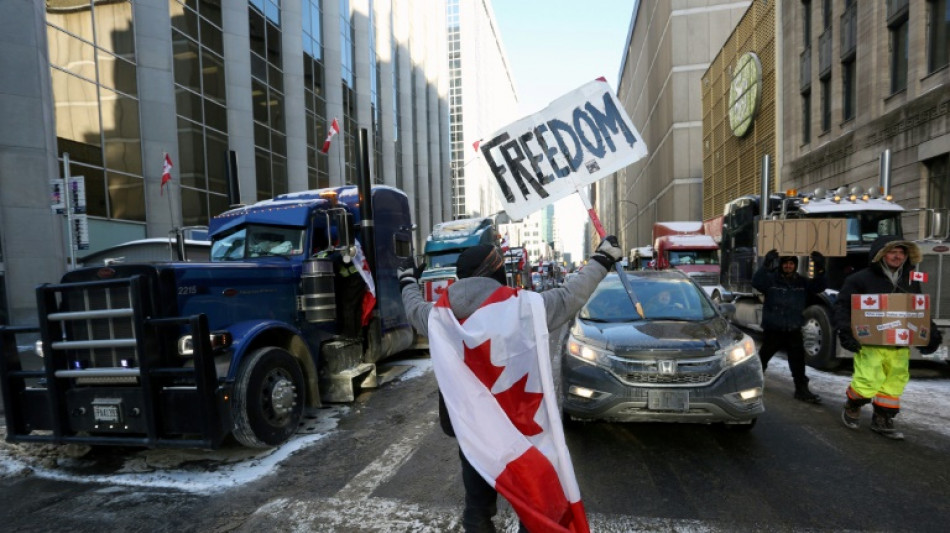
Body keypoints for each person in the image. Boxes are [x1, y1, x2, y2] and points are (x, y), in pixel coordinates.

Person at [398, 237, 622, 533]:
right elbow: (571, 296)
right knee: (534, 504)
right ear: (495, 272)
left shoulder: (439, 317)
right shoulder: (525, 307)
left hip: (472, 429)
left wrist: (406, 279)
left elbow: (413, 308)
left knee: (476, 508)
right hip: (520, 427)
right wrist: (602, 259)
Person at [834, 235, 942, 440]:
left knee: (894, 382)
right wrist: (846, 331)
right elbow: (842, 306)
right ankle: (853, 404)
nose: (898, 256)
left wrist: (931, 334)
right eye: (893, 252)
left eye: (902, 253)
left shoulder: (909, 281)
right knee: (868, 380)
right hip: (869, 343)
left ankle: (882, 418)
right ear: (882, 254)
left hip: (899, 343)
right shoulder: (859, 279)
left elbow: (918, 311)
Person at [751, 249, 827, 403]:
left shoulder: (802, 282)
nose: (788, 266)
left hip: (793, 329)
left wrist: (820, 268)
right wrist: (766, 264)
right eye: (785, 263)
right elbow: (757, 282)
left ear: (795, 265)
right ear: (781, 264)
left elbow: (819, 287)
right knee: (762, 358)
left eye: (791, 263)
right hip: (774, 329)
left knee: (798, 362)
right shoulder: (771, 280)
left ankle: (801, 390)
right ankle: (752, 382)